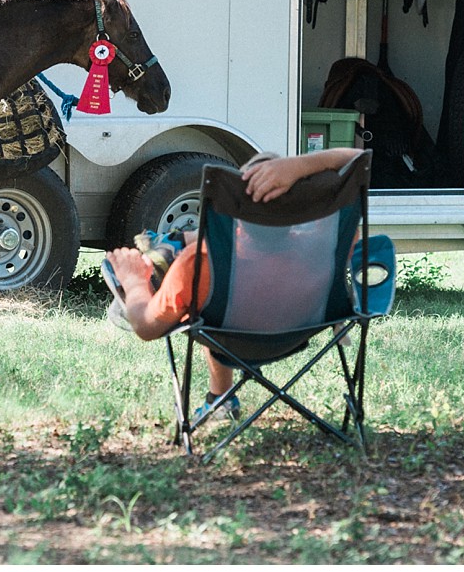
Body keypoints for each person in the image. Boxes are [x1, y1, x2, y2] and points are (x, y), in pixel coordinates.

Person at [103, 147, 364, 419]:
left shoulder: (201, 264)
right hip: (297, 333)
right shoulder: (324, 249)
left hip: (227, 335)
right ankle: (220, 399)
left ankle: (220, 398)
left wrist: (133, 280)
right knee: (205, 271)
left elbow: (146, 327)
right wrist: (297, 167)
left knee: (204, 295)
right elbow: (359, 158)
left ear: (237, 217)